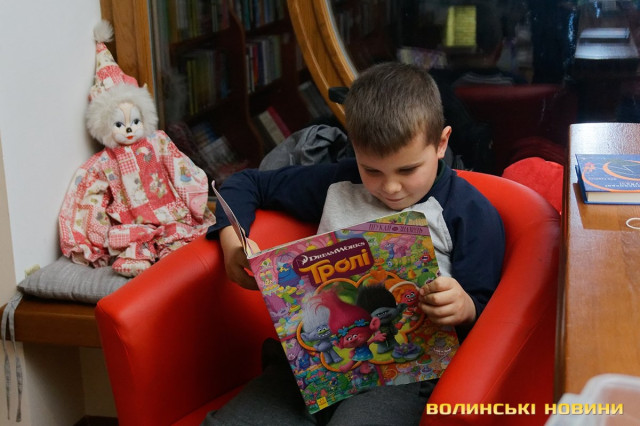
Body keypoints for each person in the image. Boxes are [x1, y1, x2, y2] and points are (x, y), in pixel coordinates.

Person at [202, 62, 505, 426]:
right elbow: (247, 183)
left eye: (408, 170)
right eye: (372, 169)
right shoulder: (339, 182)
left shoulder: (468, 212)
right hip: (312, 364)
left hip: (401, 372)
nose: (390, 187)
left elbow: (491, 316)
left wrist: (465, 307)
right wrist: (232, 242)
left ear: (441, 143)